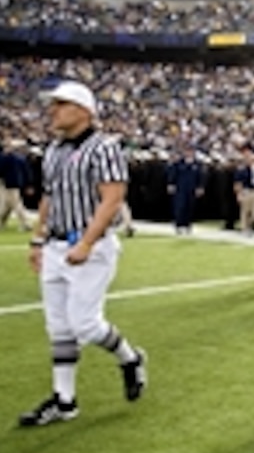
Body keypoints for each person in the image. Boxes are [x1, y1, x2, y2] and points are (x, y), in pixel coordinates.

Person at [20, 80, 146, 427]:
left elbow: (112, 198)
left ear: (83, 110)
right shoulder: (53, 150)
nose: (53, 111)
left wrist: (87, 242)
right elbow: (49, 198)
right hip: (57, 244)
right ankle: (65, 400)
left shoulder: (104, 148)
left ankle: (130, 357)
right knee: (58, 327)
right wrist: (37, 239)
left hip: (91, 245)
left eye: (60, 104)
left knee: (85, 324)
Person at [166, 146, 205, 234]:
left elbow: (201, 176)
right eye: (187, 151)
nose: (189, 153)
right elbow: (173, 174)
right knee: (180, 206)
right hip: (180, 188)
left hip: (191, 188)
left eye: (191, 151)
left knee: (190, 207)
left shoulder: (197, 164)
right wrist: (171, 184)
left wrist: (200, 187)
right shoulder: (179, 163)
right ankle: (179, 224)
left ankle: (188, 224)